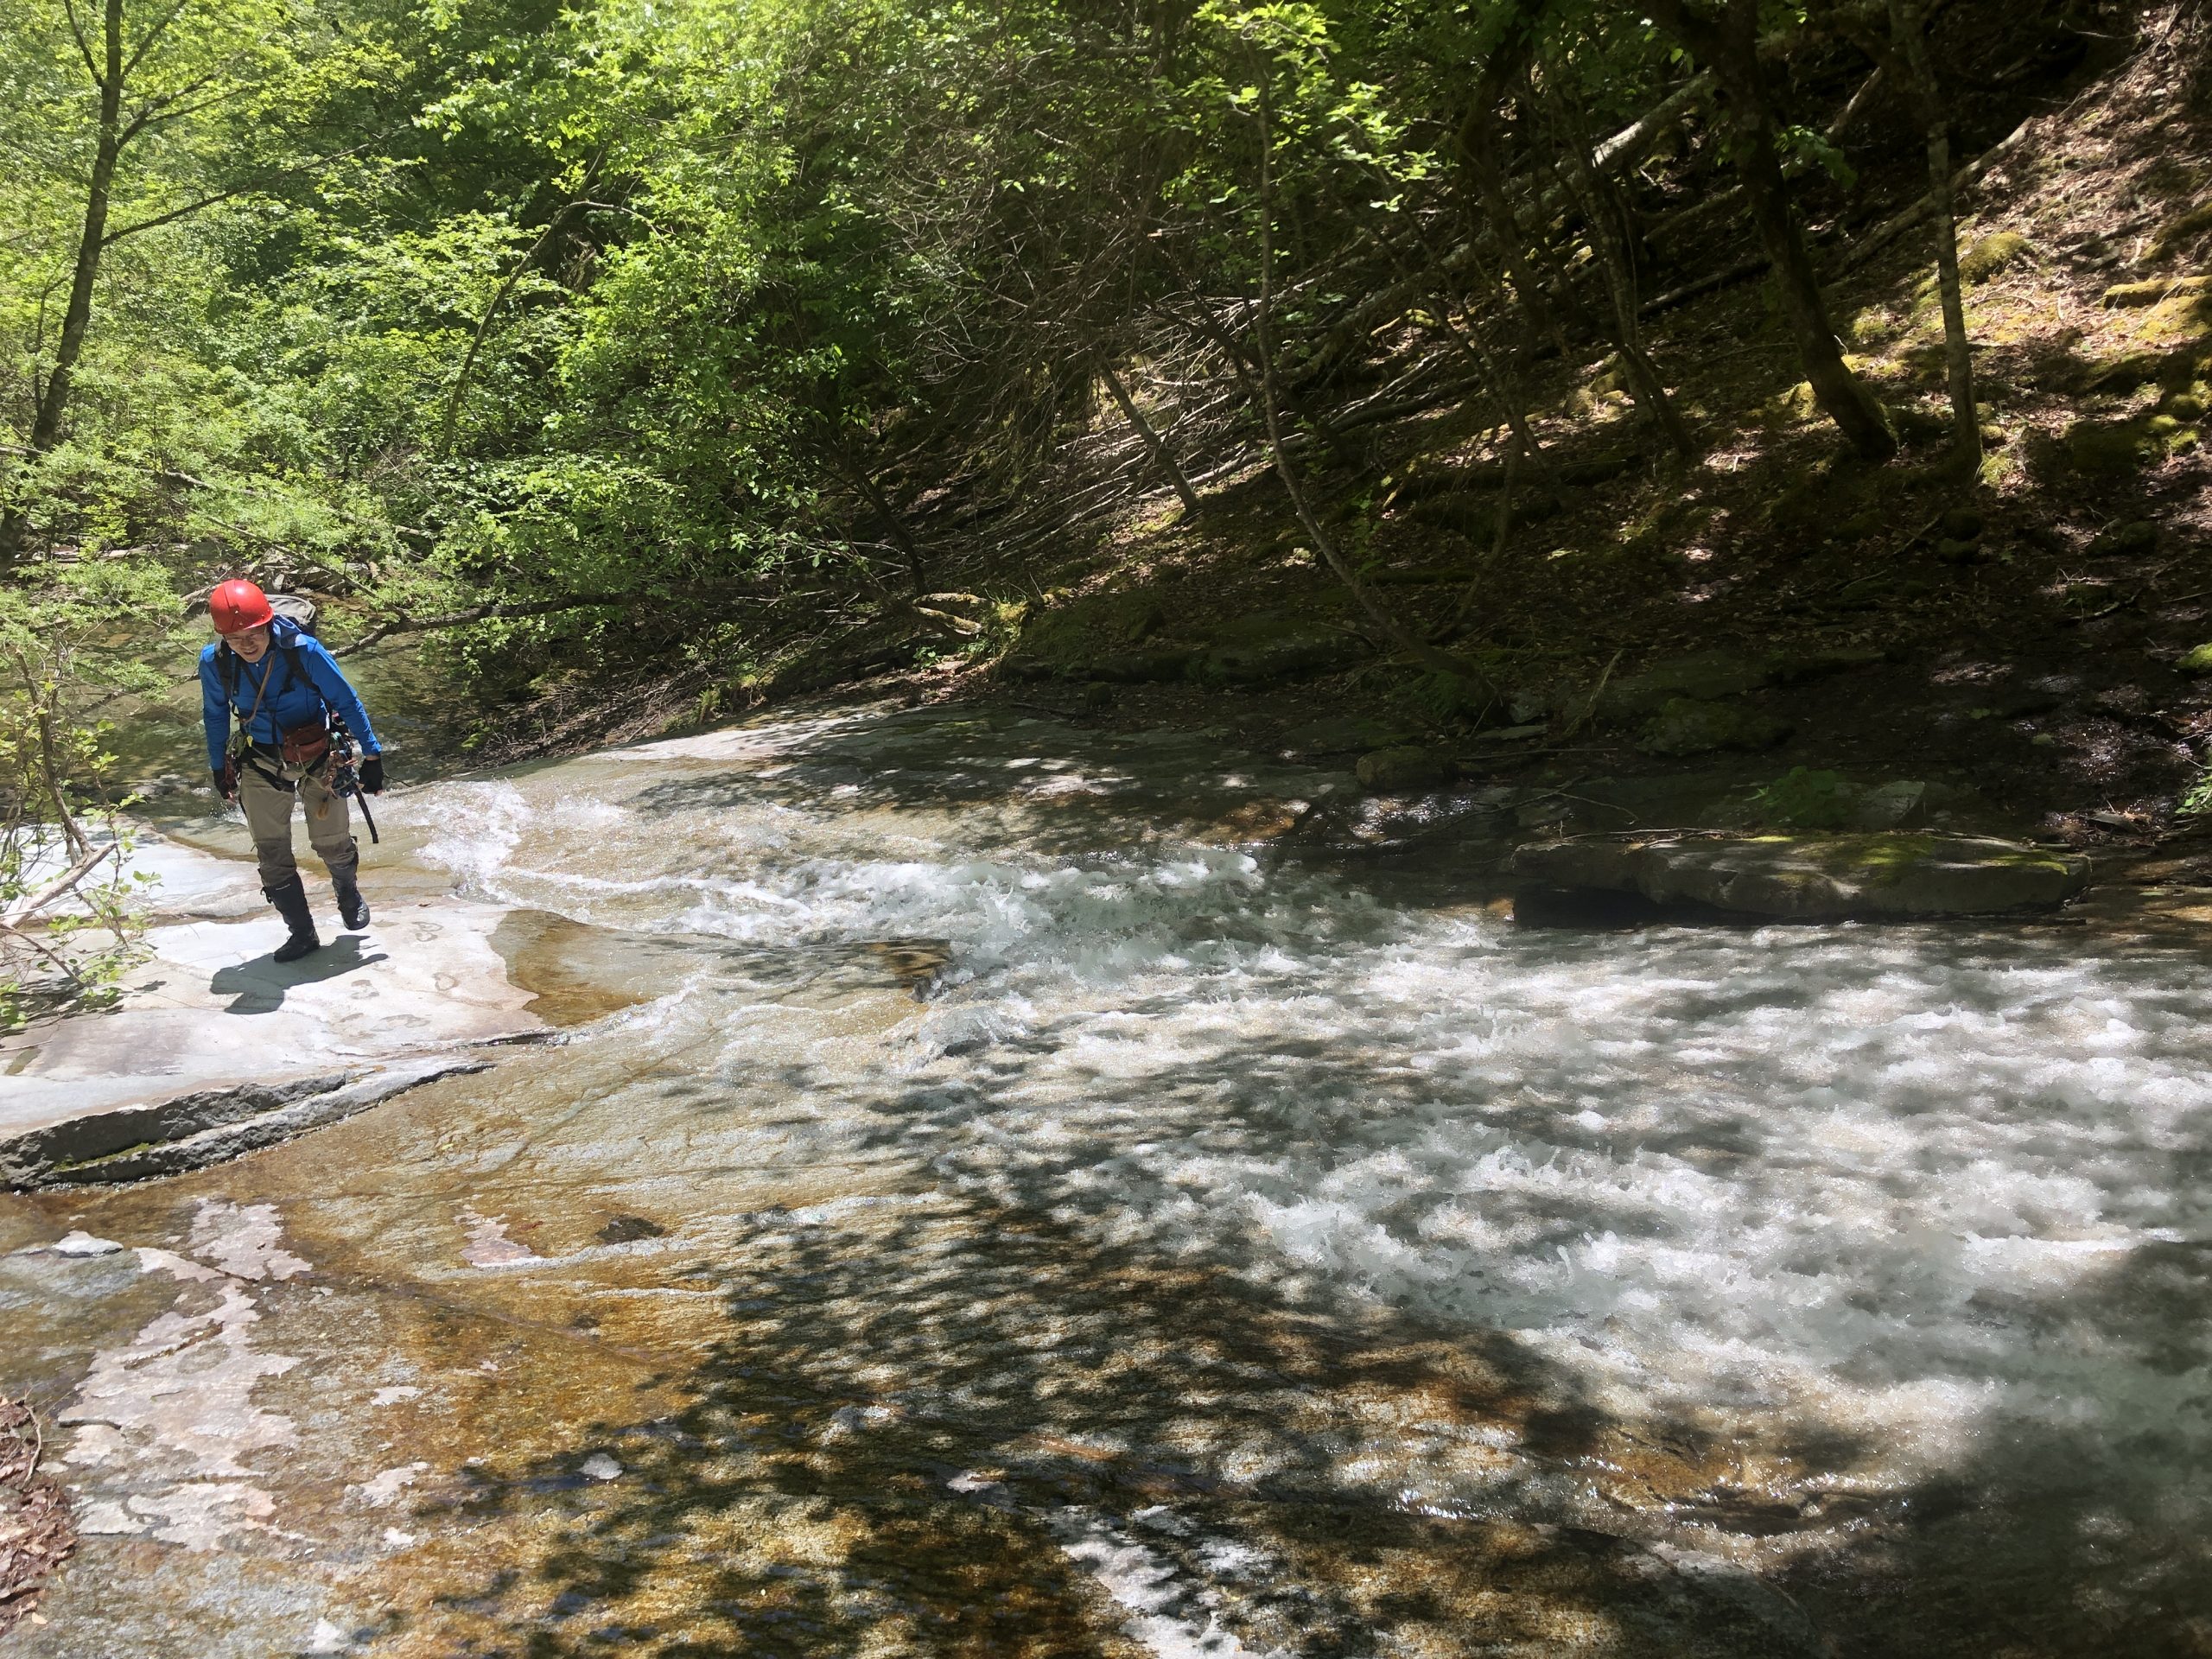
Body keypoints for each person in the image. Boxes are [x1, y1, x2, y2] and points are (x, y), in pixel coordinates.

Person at [200, 578, 386, 963]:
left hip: (320, 755)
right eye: (235, 638)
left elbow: (346, 701)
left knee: (331, 843)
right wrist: (219, 766)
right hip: (260, 758)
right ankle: (301, 933)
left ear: (268, 623)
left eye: (253, 634)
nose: (246, 645)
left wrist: (372, 755)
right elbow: (215, 714)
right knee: (271, 853)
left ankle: (347, 892)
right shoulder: (215, 662)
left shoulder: (305, 651)